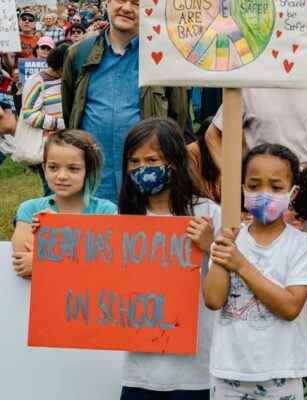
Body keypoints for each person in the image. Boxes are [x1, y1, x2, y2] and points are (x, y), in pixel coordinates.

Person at [204, 144, 307, 400]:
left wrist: (241, 265)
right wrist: (224, 250)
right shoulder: (229, 239)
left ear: (292, 193)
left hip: (280, 376)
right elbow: (213, 300)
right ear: (243, 188)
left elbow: (291, 307)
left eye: (276, 187)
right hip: (228, 374)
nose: (264, 193)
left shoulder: (302, 245)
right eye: (254, 185)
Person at [116, 118, 219, 399]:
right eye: (134, 161)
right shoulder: (124, 220)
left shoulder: (208, 214)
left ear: (175, 161)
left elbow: (227, 282)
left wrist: (210, 246)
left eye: (152, 159)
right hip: (140, 368)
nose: (142, 168)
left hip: (195, 368)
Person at [62, 0, 190, 202]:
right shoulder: (79, 53)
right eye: (121, 0)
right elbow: (71, 111)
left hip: (146, 182)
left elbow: (178, 118)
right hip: (93, 184)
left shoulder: (164, 56)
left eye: (137, 3)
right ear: (107, 3)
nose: (127, 8)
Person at [10, 130, 117, 279]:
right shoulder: (30, 209)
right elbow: (23, 264)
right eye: (53, 167)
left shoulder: (106, 210)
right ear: (44, 167)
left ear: (88, 170)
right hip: (40, 298)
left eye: (73, 169)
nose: (61, 176)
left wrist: (60, 228)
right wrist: (79, 254)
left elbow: (105, 263)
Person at [21, 40, 68, 138]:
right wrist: (60, 124)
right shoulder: (36, 81)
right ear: (60, 66)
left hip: (64, 138)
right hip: (44, 142)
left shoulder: (66, 79)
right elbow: (29, 115)